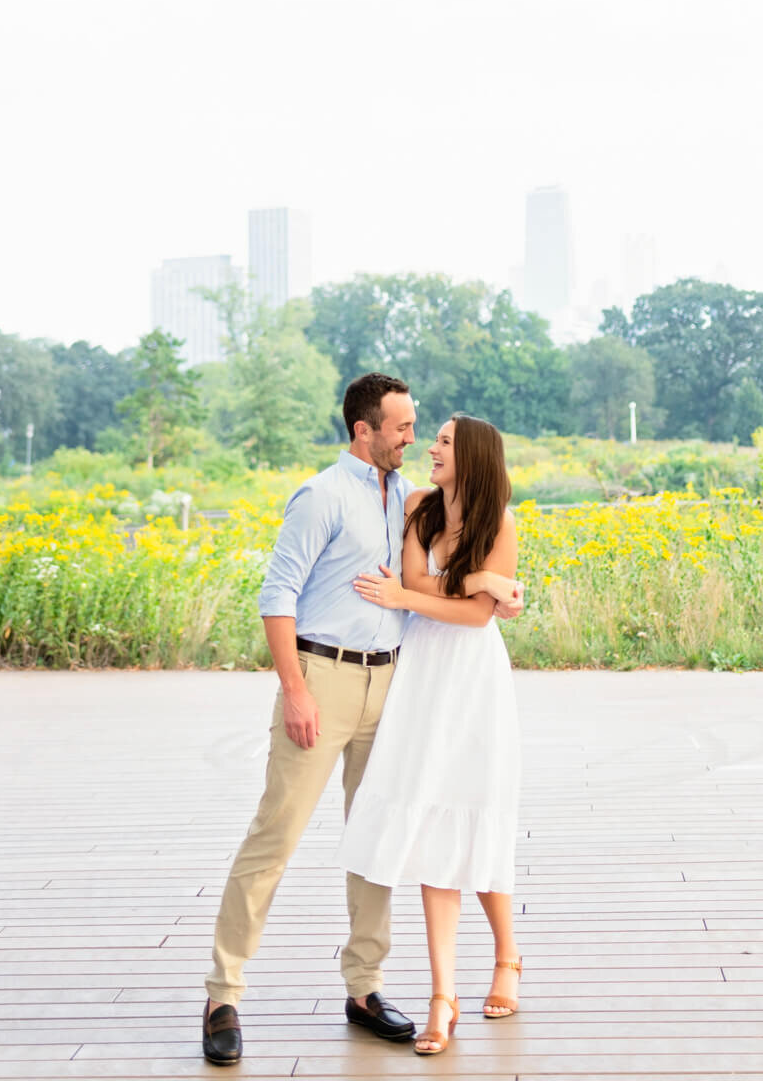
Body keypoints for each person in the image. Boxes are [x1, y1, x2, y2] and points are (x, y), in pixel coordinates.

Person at [200, 374, 522, 1067]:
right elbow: (277, 593)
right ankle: (223, 994)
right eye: (402, 427)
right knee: (274, 836)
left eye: (418, 428)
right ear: (363, 431)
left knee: (378, 836)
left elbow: (426, 584)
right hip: (323, 676)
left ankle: (365, 989)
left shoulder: (406, 499)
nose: (412, 436)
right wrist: (295, 689)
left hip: (396, 683)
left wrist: (489, 584)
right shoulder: (323, 495)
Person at [338, 412, 524, 1056]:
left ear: (470, 455)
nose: (431, 449)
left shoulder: (499, 522)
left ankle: (507, 955)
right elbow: (417, 583)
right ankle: (442, 997)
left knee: (475, 811)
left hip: (473, 679)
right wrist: (476, 580)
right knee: (430, 823)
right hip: (421, 675)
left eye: (443, 442)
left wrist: (472, 588)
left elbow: (473, 621)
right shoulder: (419, 504)